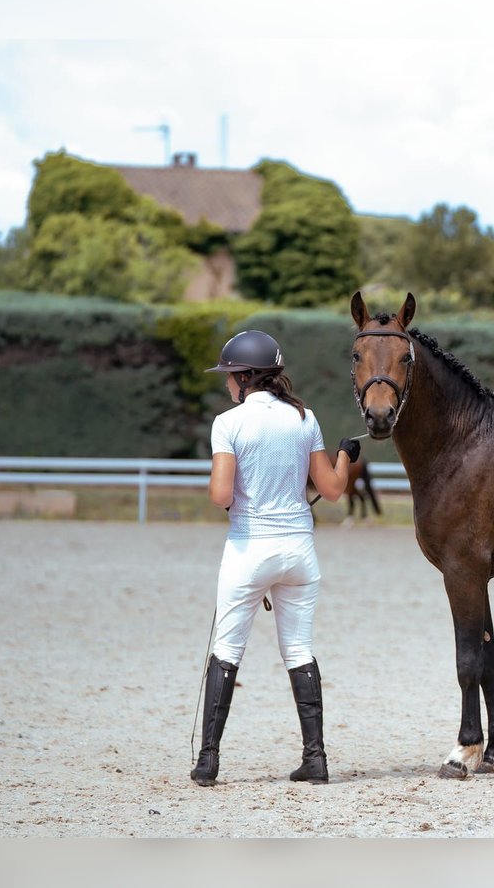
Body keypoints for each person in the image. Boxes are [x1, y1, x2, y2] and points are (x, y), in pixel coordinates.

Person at [190, 329, 360, 787]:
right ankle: (316, 759)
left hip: (249, 549)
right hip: (299, 552)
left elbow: (220, 494)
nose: (227, 384)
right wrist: (345, 455)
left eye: (230, 376)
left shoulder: (228, 424)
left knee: (227, 649)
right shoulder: (305, 418)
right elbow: (332, 489)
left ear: (246, 378)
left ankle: (208, 761)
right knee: (299, 650)